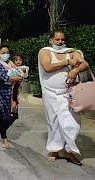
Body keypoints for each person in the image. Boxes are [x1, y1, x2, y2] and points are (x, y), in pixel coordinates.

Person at [38, 30, 89, 166]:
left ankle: (68, 150)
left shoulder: (72, 51)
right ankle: (54, 150)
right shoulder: (45, 51)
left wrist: (75, 70)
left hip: (68, 93)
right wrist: (68, 62)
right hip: (50, 93)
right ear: (51, 40)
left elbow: (84, 64)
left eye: (62, 39)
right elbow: (47, 67)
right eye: (57, 39)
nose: (60, 42)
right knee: (53, 121)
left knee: (71, 122)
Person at [0, 44, 22, 149]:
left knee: (13, 116)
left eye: (7, 52)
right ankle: (4, 137)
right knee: (2, 117)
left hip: (12, 93)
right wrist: (15, 78)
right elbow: (1, 75)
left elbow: (20, 74)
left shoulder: (11, 64)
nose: (5, 54)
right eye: (3, 52)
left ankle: (3, 130)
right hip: (0, 93)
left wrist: (20, 76)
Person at [11, 54, 29, 120]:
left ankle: (14, 110)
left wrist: (24, 72)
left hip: (17, 85)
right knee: (12, 97)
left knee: (15, 97)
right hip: (11, 84)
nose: (18, 61)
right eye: (16, 60)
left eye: (20, 60)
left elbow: (25, 76)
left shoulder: (24, 68)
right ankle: (13, 110)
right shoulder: (11, 67)